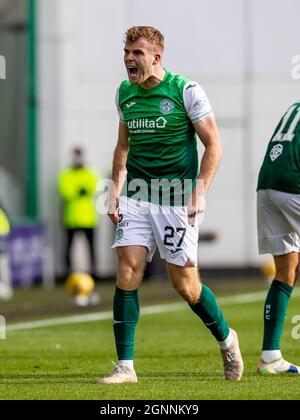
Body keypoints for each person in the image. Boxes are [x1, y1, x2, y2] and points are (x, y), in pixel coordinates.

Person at [99, 26, 244, 384]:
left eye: (137, 53)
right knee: (128, 268)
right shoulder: (124, 93)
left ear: (156, 57)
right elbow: (123, 147)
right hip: (136, 195)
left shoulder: (186, 91)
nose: (129, 59)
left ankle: (227, 340)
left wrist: (200, 190)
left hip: (177, 198)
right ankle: (126, 367)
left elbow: (214, 146)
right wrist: (115, 189)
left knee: (185, 285)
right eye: (127, 52)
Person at [257, 101, 300, 374]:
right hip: (293, 184)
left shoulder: (294, 106)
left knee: (286, 270)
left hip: (267, 184)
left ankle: (270, 357)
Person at [58, 147, 99, 278]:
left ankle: (93, 272)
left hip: (88, 218)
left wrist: (77, 191)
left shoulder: (89, 173)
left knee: (91, 247)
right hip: (72, 218)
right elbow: (65, 191)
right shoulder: (66, 174)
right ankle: (68, 272)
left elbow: (94, 187)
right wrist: (80, 191)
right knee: (69, 246)